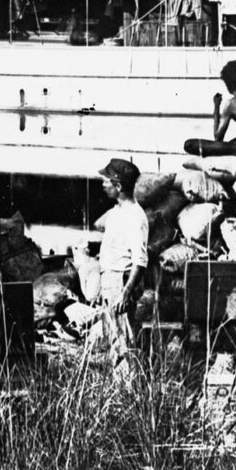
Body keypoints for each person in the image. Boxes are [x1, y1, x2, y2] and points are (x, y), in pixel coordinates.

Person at [93, 157, 150, 368]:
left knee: (124, 341)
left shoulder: (135, 217)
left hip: (121, 280)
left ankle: (128, 390)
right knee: (115, 340)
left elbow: (140, 261)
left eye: (106, 180)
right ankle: (120, 390)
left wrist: (125, 293)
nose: (103, 184)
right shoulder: (118, 212)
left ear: (118, 186)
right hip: (112, 280)